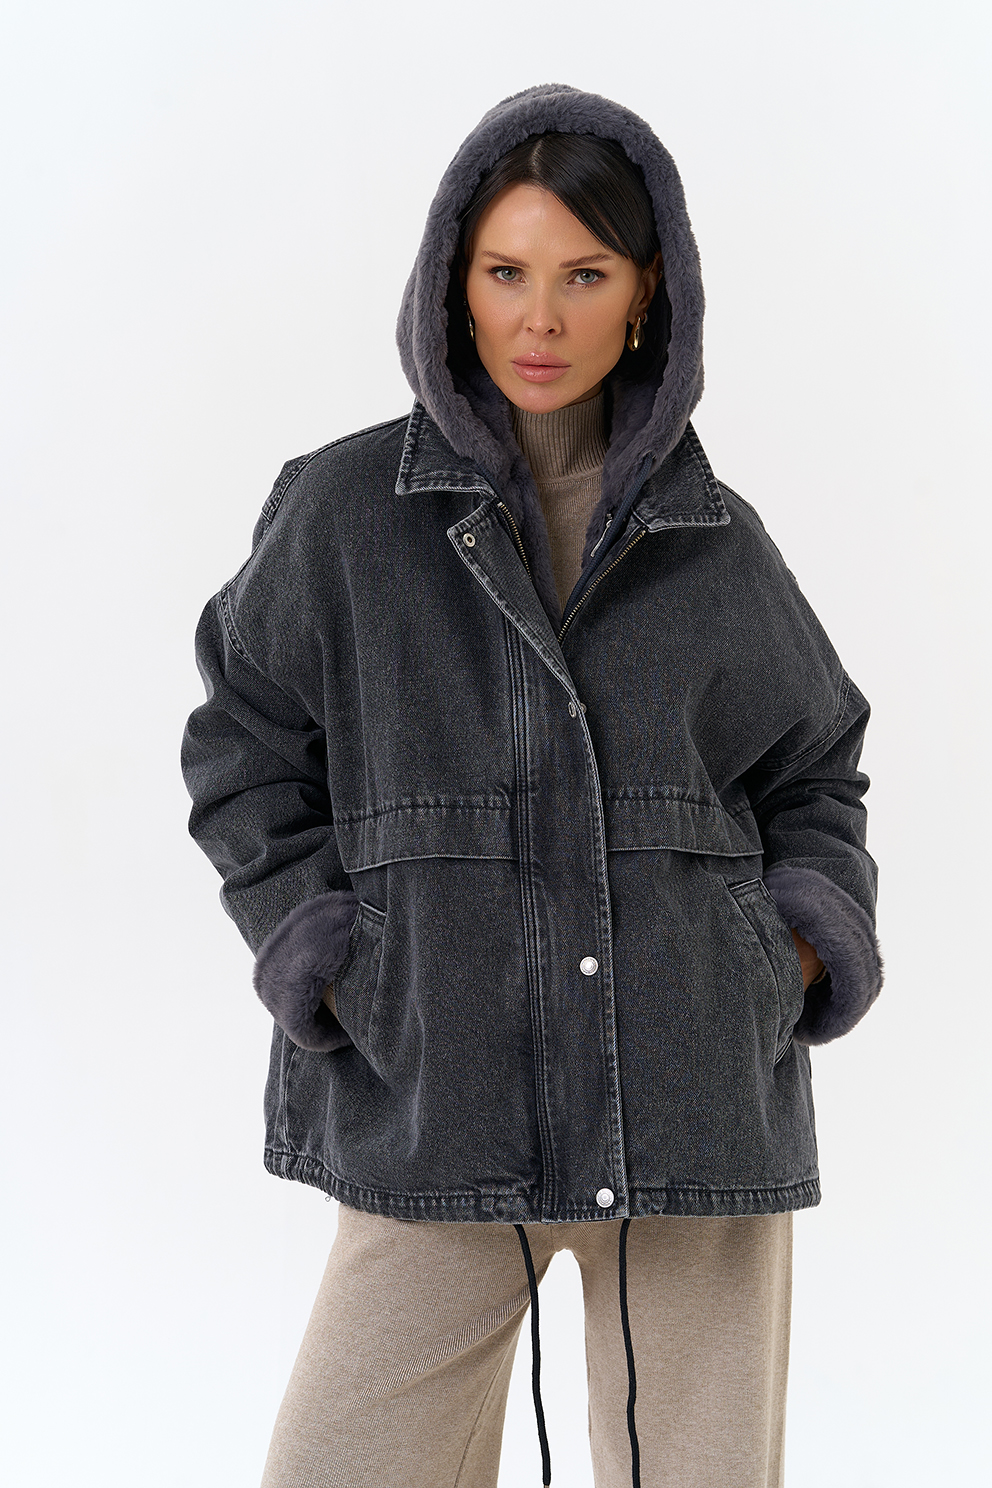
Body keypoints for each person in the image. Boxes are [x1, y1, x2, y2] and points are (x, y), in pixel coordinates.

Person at [182, 83, 883, 1488]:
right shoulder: (343, 515)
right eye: (506, 273)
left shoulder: (717, 541)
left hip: (692, 1107)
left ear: (648, 294)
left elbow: (815, 768)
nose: (541, 320)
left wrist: (788, 949)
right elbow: (243, 749)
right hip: (435, 1092)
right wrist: (330, 952)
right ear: (454, 286)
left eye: (584, 275)